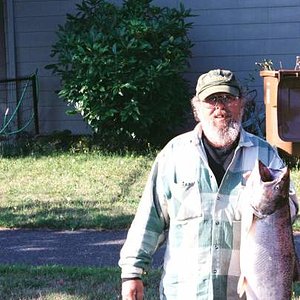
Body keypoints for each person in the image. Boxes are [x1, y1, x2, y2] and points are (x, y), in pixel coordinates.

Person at [118, 69, 299, 299]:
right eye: (211, 100)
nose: (220, 107)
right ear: (197, 109)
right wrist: (132, 273)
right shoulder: (174, 155)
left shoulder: (265, 156)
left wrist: (272, 198)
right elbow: (149, 217)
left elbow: (288, 212)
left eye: (228, 99)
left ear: (241, 105)